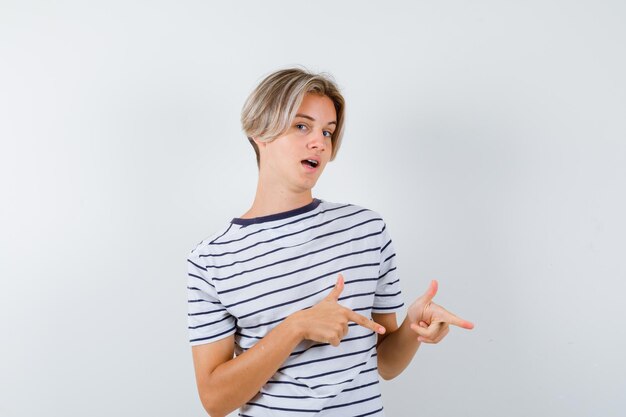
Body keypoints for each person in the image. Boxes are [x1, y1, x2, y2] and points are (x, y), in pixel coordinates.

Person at [187, 67, 474, 417]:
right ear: (259, 131)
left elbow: (386, 364)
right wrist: (297, 326)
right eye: (301, 126)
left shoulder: (367, 230)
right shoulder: (212, 259)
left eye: (328, 131)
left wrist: (414, 326)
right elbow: (215, 401)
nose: (319, 142)